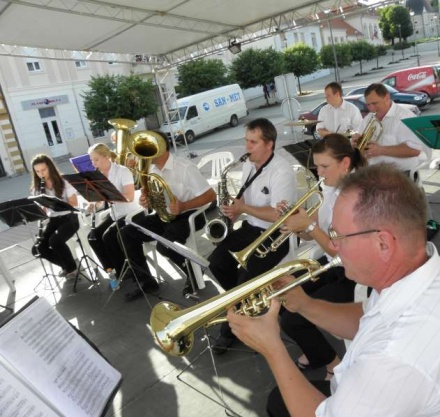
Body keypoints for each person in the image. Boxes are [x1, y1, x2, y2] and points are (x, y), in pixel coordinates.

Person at [228, 164, 440, 417]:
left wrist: (272, 347)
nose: (332, 245)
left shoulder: (396, 357)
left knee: (278, 402)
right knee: (278, 401)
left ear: (383, 243)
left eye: (338, 236)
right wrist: (304, 304)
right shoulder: (432, 269)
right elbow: (367, 317)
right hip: (388, 396)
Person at [279, 134, 367, 380]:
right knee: (281, 294)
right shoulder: (329, 188)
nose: (318, 172)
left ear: (345, 164)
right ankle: (315, 350)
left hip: (353, 274)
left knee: (293, 320)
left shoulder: (354, 195)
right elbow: (313, 234)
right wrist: (297, 223)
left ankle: (332, 364)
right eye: (316, 166)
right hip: (331, 264)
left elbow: (339, 251)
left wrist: (307, 226)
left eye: (324, 166)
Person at [208, 118, 296, 353]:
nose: (247, 147)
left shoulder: (282, 171)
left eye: (253, 142)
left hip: (276, 235)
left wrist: (244, 209)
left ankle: (232, 327)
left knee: (244, 278)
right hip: (250, 229)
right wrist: (234, 210)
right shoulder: (249, 164)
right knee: (216, 263)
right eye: (247, 141)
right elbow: (244, 198)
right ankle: (246, 305)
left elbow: (280, 216)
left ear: (269, 144)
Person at [118, 131, 216, 302]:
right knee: (126, 233)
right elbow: (152, 195)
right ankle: (146, 281)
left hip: (189, 215)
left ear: (161, 147)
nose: (144, 153)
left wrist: (184, 205)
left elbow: (210, 196)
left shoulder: (184, 167)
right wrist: (146, 199)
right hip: (164, 215)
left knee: (164, 246)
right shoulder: (150, 168)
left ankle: (193, 273)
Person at [86, 143, 140, 279]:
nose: (93, 163)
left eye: (96, 159)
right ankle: (111, 269)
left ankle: (125, 269)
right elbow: (100, 201)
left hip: (129, 213)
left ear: (106, 157)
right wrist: (94, 203)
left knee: (108, 236)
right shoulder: (98, 176)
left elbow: (129, 196)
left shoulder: (122, 171)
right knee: (92, 237)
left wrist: (108, 196)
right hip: (115, 213)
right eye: (91, 160)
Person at [351, 83, 424, 173]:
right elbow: (363, 152)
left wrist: (381, 150)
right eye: (368, 104)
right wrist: (358, 143)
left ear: (387, 97)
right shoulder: (368, 119)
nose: (372, 109)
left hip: (402, 175)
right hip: (376, 174)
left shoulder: (406, 117)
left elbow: (415, 150)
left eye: (374, 103)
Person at [30, 154, 80, 279]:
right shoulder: (37, 188)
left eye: (43, 170)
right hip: (54, 219)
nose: (41, 174)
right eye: (37, 171)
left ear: (50, 168)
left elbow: (74, 203)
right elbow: (41, 212)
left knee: (55, 241)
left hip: (69, 217)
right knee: (38, 248)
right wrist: (42, 207)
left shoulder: (63, 181)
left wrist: (55, 203)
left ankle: (71, 268)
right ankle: (67, 265)